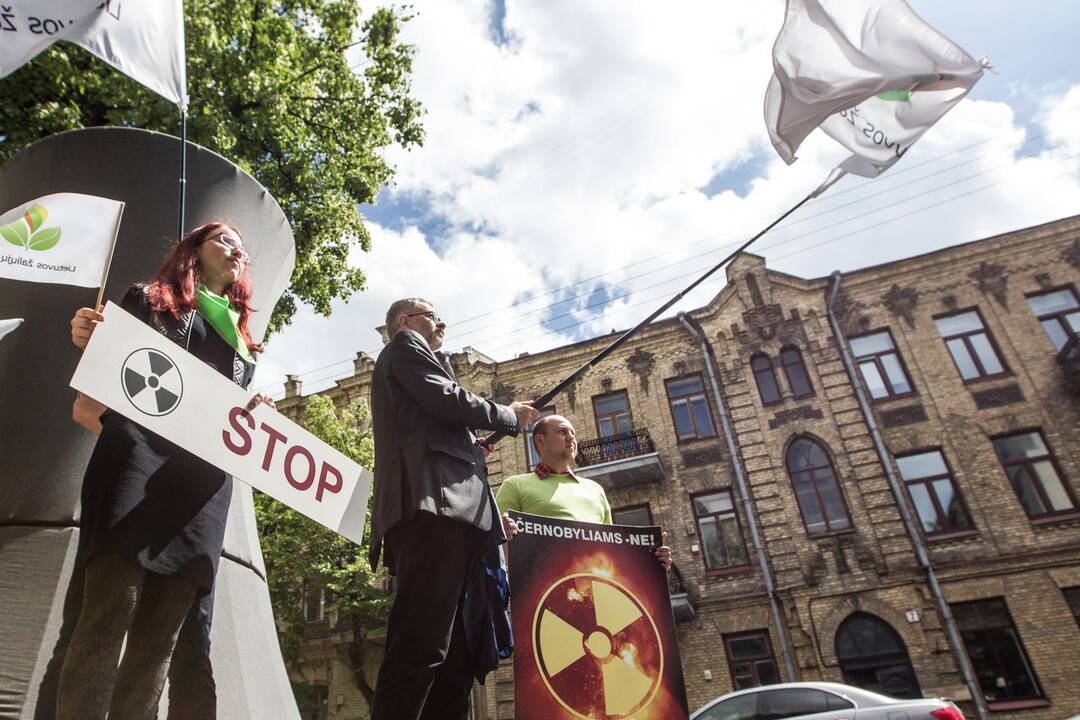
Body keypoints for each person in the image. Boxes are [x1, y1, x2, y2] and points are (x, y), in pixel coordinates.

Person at [57, 222, 274, 719]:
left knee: (159, 644)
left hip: (200, 494)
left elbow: (227, 415)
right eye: (223, 239)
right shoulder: (151, 298)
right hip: (135, 466)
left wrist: (254, 406)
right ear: (193, 250)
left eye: (241, 246)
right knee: (106, 619)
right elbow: (106, 365)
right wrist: (88, 336)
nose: (235, 249)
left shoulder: (245, 345)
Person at [368, 297, 540, 720]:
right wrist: (506, 414)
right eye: (431, 314)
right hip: (435, 512)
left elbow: (433, 420)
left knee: (454, 653)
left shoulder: (411, 362)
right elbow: (446, 397)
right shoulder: (406, 344)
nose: (441, 321)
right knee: (422, 643)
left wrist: (468, 447)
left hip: (458, 515)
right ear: (404, 321)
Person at [497, 414, 673, 570]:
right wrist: (504, 537)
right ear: (540, 440)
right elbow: (496, 554)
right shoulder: (514, 486)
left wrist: (651, 561)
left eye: (573, 433)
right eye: (562, 432)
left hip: (595, 592)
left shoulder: (595, 489)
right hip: (543, 595)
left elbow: (610, 551)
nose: (571, 438)